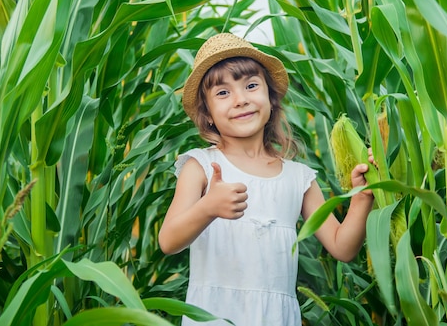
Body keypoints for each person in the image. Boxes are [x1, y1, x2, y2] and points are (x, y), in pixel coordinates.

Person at [158, 33, 374, 326]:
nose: (241, 99)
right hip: (214, 318)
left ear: (270, 98)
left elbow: (342, 247)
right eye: (223, 93)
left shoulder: (299, 178)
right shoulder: (201, 166)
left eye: (250, 86)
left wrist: (361, 198)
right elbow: (168, 240)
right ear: (207, 114)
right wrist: (208, 207)